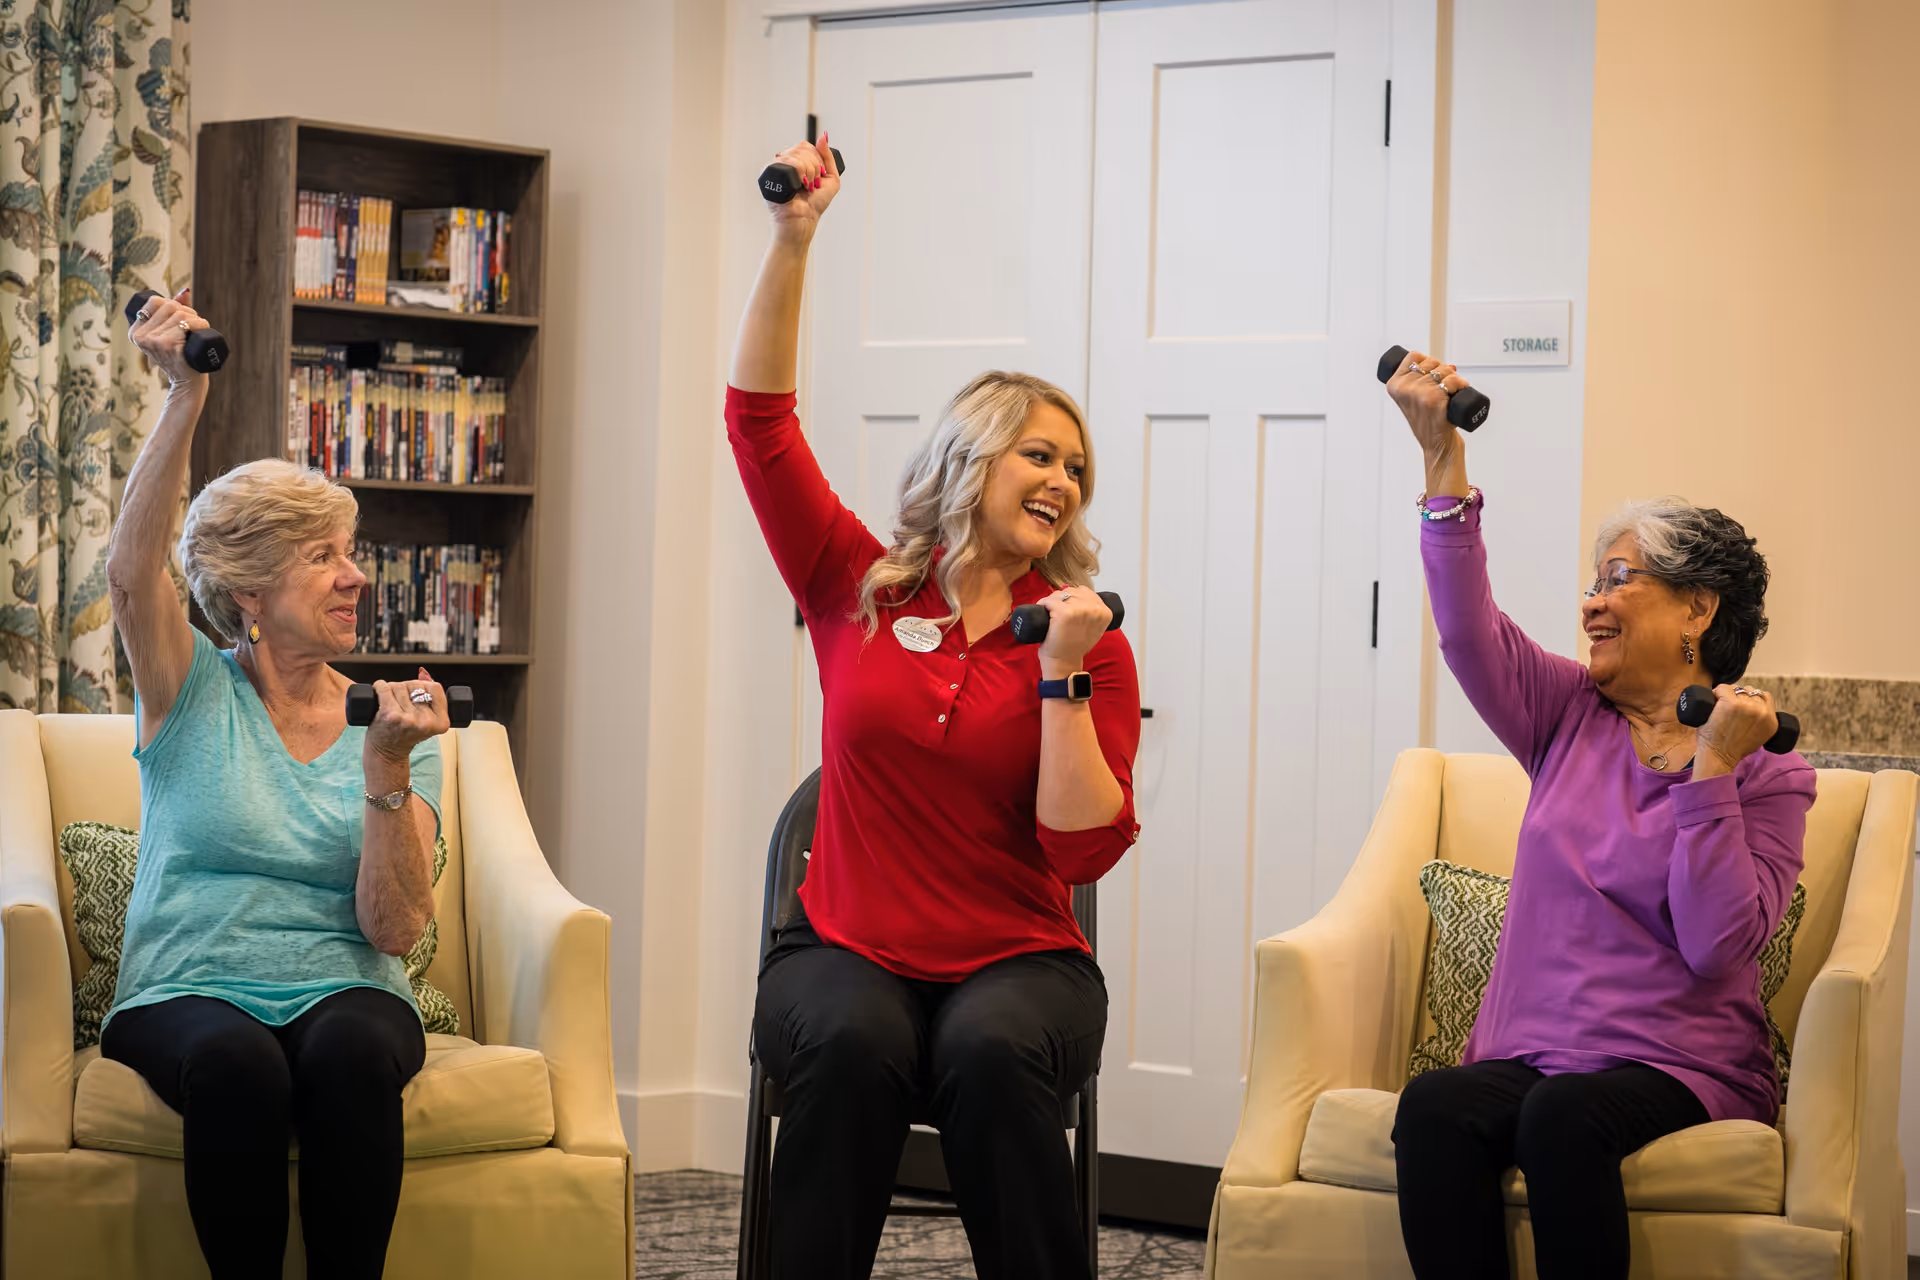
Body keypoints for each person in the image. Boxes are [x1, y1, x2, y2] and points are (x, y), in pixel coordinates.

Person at [730, 140, 1141, 1279]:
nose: (1062, 482)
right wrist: (793, 239)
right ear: (970, 456)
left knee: (997, 1050)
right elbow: (760, 427)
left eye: (1078, 471)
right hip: (844, 945)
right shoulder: (856, 584)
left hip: (1020, 960)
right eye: (1040, 453)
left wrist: (1061, 673)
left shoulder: (1089, 640)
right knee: (856, 1043)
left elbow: (1083, 844)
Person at [1380, 351, 1815, 1280]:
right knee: (1434, 1107)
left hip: (1680, 1066)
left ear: (1699, 607)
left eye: (1618, 580)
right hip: (1534, 1050)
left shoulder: (1770, 775)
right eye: (1593, 580)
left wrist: (1711, 772)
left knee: (1563, 1117)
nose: (1591, 603)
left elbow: (1714, 946)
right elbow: (1466, 630)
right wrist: (1440, 461)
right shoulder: (1564, 712)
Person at [101, 288, 452, 1279]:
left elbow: (393, 932)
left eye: (353, 553)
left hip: (347, 985)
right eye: (323, 557)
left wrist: (385, 764)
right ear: (249, 591)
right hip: (188, 989)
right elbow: (132, 576)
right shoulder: (188, 691)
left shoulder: (385, 723)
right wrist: (184, 395)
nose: (355, 577)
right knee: (238, 1063)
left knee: (348, 1052)